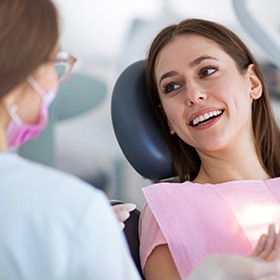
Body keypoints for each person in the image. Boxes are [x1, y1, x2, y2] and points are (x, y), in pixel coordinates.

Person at [0, 0, 140, 279]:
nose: (55, 80)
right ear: (16, 79)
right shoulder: (73, 208)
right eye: (53, 62)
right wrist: (83, 235)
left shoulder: (69, 212)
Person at [139, 18, 280, 279]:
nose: (193, 94)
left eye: (206, 72)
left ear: (253, 83)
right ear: (169, 119)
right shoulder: (170, 209)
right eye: (172, 87)